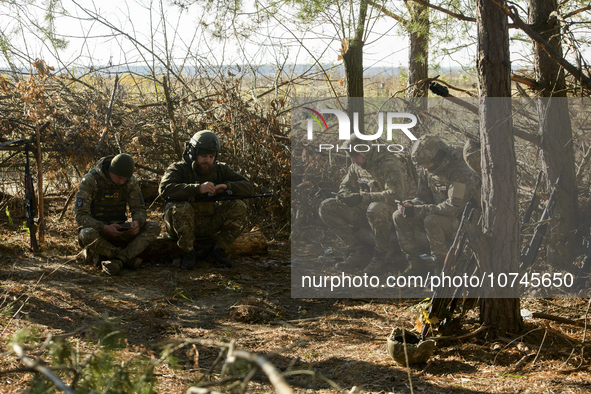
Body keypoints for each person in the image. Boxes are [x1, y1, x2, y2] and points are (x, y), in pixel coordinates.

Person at [159, 130, 254, 269]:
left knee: (239, 206)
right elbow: (164, 189)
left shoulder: (220, 170)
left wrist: (227, 186)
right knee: (182, 207)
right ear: (193, 154)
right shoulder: (178, 168)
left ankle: (218, 250)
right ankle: (188, 251)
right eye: (203, 156)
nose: (207, 160)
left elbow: (248, 187)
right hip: (180, 223)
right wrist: (197, 189)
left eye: (211, 156)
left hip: (208, 221)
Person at [319, 134, 407, 274]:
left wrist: (362, 198)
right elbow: (346, 185)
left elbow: (396, 195)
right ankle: (358, 250)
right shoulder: (356, 166)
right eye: (351, 156)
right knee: (327, 206)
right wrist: (344, 195)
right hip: (366, 211)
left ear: (365, 151)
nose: (353, 161)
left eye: (355, 156)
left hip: (391, 213)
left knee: (375, 208)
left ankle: (380, 255)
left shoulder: (388, 163)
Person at [394, 135, 481, 275]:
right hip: (440, 215)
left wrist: (419, 210)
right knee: (399, 215)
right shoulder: (427, 170)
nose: (424, 167)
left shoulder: (461, 172)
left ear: (438, 157)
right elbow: (423, 197)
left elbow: (453, 207)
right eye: (422, 164)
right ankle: (415, 263)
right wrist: (411, 205)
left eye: (427, 163)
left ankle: (441, 267)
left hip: (464, 223)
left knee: (432, 220)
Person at [75, 153, 161, 276]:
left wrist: (137, 222)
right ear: (110, 170)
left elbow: (139, 209)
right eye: (119, 178)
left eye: (125, 179)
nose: (122, 182)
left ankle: (119, 260)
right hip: (99, 231)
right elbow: (80, 215)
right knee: (86, 234)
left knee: (153, 227)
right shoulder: (90, 181)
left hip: (121, 229)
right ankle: (125, 258)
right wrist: (104, 228)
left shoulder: (130, 182)